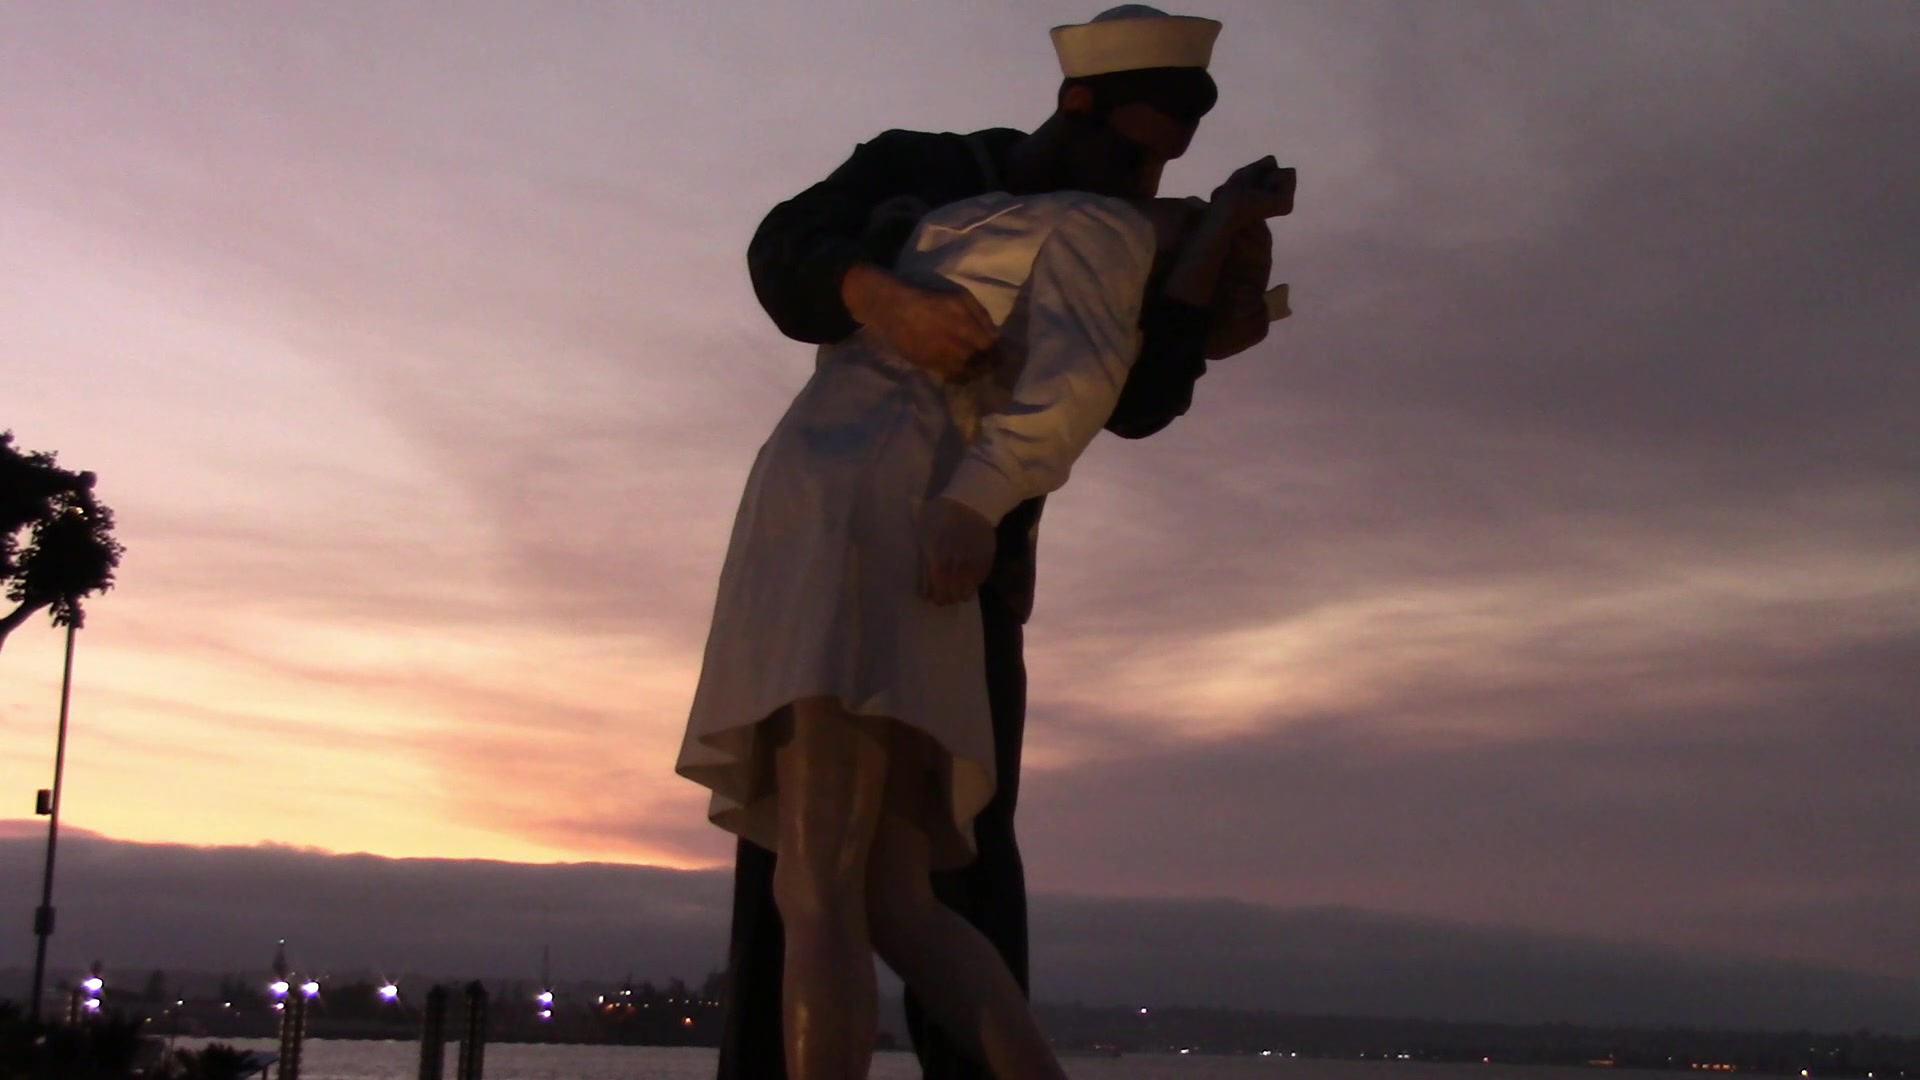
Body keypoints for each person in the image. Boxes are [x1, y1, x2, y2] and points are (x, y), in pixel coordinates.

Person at [706, 7, 1294, 1078]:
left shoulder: (1106, 229)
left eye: (1162, 170)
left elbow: (1120, 394)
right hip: (887, 528)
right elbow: (785, 249)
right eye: (1130, 151)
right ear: (1078, 109)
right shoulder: (931, 171)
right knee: (857, 885)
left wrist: (1199, 291)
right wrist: (875, 297)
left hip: (921, 545)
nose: (1143, 178)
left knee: (860, 879)